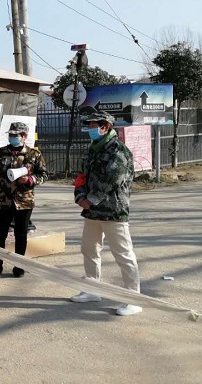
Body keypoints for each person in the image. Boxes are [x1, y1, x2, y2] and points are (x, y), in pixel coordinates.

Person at [71, 111, 142, 316]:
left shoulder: (118, 151)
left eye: (93, 125)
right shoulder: (92, 150)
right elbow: (81, 176)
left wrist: (89, 200)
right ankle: (93, 289)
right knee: (89, 249)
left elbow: (112, 180)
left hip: (113, 212)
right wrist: (79, 196)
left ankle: (133, 298)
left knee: (123, 255)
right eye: (89, 126)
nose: (90, 129)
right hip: (92, 213)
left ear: (106, 127)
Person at [0, 122, 47, 278]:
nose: (12, 137)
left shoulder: (33, 155)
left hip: (24, 201)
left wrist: (30, 179)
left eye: (15, 135)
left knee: (21, 234)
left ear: (24, 136)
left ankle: (19, 266)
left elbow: (44, 175)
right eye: (10, 135)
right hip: (3, 200)